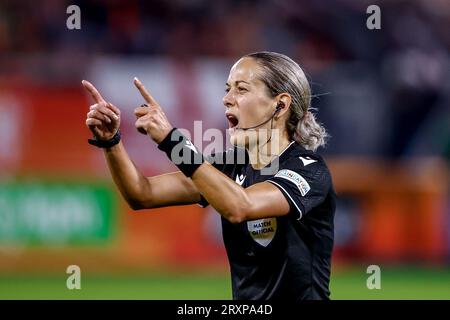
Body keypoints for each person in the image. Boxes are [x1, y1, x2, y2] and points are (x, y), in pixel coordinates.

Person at [83, 51, 336, 301]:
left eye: (241, 89)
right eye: (228, 89)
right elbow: (142, 194)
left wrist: (173, 141)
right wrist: (111, 141)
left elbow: (240, 206)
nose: (227, 99)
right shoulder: (231, 165)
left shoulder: (308, 169)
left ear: (280, 105)